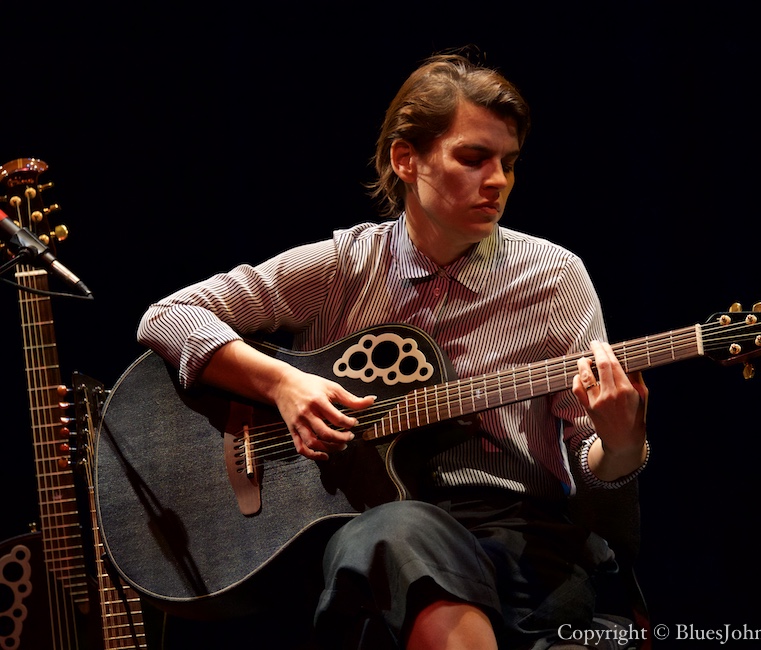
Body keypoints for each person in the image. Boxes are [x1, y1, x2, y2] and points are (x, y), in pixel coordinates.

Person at [137, 52, 650, 649]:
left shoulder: (555, 278)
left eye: (508, 163)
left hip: (515, 538)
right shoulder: (344, 267)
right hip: (366, 533)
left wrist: (619, 445)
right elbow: (167, 316)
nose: (498, 181)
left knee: (399, 538)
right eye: (473, 158)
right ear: (406, 159)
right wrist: (282, 384)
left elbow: (587, 465)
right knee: (392, 533)